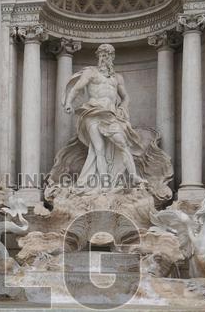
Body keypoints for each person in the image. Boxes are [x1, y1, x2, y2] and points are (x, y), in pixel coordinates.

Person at [55, 43, 172, 199]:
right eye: (103, 54)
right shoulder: (91, 73)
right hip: (93, 113)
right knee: (99, 149)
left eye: (109, 54)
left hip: (111, 115)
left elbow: (125, 97)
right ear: (98, 56)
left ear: (113, 57)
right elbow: (76, 88)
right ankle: (105, 183)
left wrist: (123, 108)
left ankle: (134, 176)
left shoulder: (117, 78)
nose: (105, 57)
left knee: (124, 144)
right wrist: (68, 103)